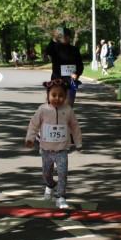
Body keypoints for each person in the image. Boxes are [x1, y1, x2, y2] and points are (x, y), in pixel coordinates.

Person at [25, 79, 83, 210]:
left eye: (61, 95)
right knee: (47, 173)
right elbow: (34, 124)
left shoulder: (68, 110)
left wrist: (78, 142)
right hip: (46, 150)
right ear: (47, 96)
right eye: (54, 95)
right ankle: (50, 185)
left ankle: (61, 197)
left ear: (66, 96)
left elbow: (75, 127)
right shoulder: (43, 109)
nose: (57, 98)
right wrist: (30, 139)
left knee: (63, 173)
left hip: (62, 150)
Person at [44, 27, 84, 106]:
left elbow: (80, 65)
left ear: (70, 37)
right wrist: (54, 39)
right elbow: (48, 51)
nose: (65, 37)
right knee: (53, 106)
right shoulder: (55, 48)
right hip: (56, 81)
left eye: (67, 35)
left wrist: (77, 74)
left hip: (70, 82)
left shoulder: (75, 50)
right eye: (63, 35)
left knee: (68, 107)